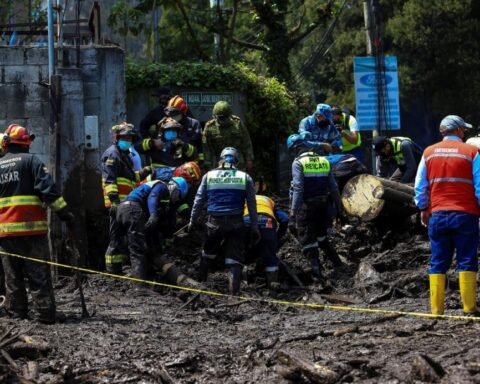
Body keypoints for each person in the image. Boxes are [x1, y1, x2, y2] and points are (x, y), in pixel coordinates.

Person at [0, 124, 74, 323]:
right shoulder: (32, 161)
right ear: (26, 142)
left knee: (12, 277)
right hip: (31, 230)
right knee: (38, 273)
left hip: (5, 233)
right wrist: (65, 213)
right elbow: (48, 190)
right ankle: (44, 315)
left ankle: (17, 314)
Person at [414, 115, 480, 316]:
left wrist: (424, 208)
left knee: (438, 260)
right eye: (463, 129)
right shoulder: (472, 152)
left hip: (438, 215)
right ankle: (469, 307)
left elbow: (419, 186)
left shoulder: (428, 152)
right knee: (467, 259)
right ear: (459, 130)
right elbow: (479, 186)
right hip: (465, 215)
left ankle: (436, 310)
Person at [188, 147, 259, 295]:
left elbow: (199, 200)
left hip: (214, 221)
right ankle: (234, 293)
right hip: (236, 222)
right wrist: (254, 226)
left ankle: (200, 287)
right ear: (236, 161)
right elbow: (252, 204)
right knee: (234, 259)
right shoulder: (245, 177)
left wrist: (192, 220)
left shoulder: (209, 176)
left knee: (207, 253)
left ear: (220, 160)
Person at [287, 133, 341, 283]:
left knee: (308, 239)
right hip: (323, 205)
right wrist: (339, 207)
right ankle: (338, 264)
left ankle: (317, 275)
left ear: (295, 149)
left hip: (307, 206)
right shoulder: (324, 160)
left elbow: (298, 188)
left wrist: (293, 211)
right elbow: (334, 187)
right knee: (321, 236)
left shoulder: (298, 163)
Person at [113, 176, 188, 280]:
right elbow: (152, 196)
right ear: (173, 187)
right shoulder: (162, 186)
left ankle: (122, 273)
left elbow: (165, 221)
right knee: (138, 249)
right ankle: (139, 286)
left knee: (127, 243)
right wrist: (153, 214)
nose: (176, 198)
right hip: (132, 208)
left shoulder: (164, 200)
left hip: (123, 210)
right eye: (177, 194)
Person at [102, 122, 151, 273]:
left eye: (130, 138)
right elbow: (109, 180)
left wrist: (142, 173)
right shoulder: (112, 154)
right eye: (125, 138)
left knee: (122, 238)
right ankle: (112, 272)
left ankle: (121, 268)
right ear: (117, 138)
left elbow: (129, 178)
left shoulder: (124, 155)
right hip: (117, 204)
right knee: (116, 239)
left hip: (125, 204)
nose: (128, 141)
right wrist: (114, 202)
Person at [243, 195, 288, 291]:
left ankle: (242, 281)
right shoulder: (268, 200)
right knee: (270, 255)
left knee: (243, 250)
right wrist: (277, 236)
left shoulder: (243, 199)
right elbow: (285, 218)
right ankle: (272, 284)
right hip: (267, 222)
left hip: (247, 221)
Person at [203, 101, 254, 172]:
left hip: (237, 160)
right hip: (218, 161)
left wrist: (249, 159)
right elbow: (206, 147)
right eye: (220, 118)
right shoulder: (209, 127)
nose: (223, 120)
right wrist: (208, 164)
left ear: (229, 115)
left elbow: (246, 142)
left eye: (225, 117)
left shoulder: (238, 123)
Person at [164, 96, 204, 164]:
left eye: (175, 114)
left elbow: (199, 146)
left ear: (183, 112)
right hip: (171, 163)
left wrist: (200, 163)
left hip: (190, 162)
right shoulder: (166, 124)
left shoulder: (194, 124)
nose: (172, 117)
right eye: (170, 114)